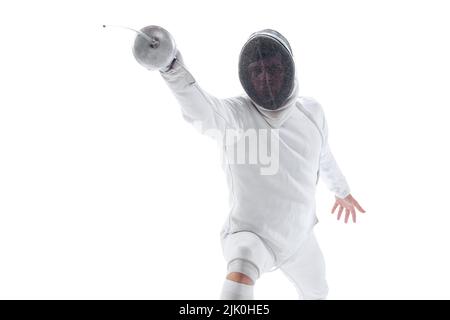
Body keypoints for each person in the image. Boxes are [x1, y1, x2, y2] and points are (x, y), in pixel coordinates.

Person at [158, 29, 365, 300]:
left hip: (300, 237)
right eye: (257, 70)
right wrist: (171, 67)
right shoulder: (237, 115)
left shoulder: (312, 112)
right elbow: (203, 111)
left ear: (288, 68)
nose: (265, 78)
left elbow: (323, 155)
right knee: (242, 267)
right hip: (253, 235)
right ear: (247, 75)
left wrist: (342, 191)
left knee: (317, 290)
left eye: (273, 68)